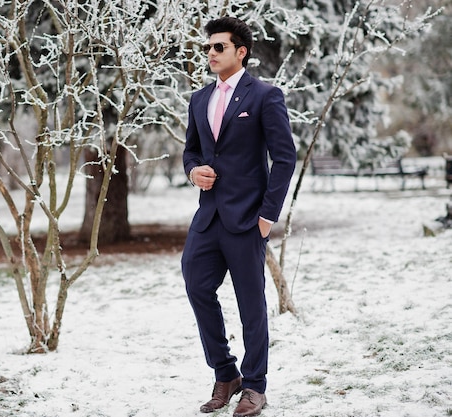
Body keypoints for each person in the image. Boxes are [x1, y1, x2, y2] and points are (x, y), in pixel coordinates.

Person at [181, 16, 297, 417]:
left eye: (219, 47)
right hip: (208, 218)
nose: (210, 53)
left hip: (248, 220)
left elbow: (285, 158)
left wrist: (267, 217)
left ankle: (254, 387)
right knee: (196, 285)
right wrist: (193, 172)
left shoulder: (265, 95)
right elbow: (190, 152)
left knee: (251, 305)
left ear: (240, 51)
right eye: (208, 47)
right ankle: (225, 373)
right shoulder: (199, 99)